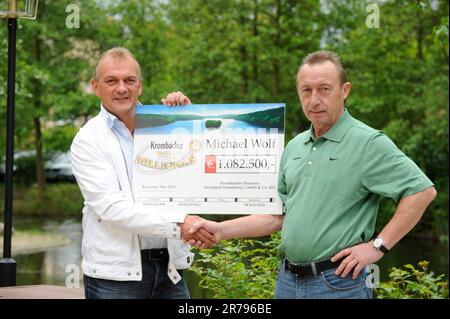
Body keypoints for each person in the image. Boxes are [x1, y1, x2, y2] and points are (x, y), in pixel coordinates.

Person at [190, 50, 437, 299]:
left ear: (345, 90)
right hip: (287, 282)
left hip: (338, 284)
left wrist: (378, 247)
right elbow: (278, 217)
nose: (314, 99)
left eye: (324, 89)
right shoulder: (295, 146)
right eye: (306, 90)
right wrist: (220, 230)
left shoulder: (368, 143)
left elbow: (421, 192)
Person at [70, 47, 215, 299]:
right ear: (95, 86)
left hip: (170, 268)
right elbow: (112, 208)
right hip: (115, 277)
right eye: (111, 81)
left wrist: (189, 121)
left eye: (129, 80)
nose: (122, 88)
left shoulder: (167, 126)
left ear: (140, 86)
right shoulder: (88, 139)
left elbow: (196, 177)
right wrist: (179, 223)